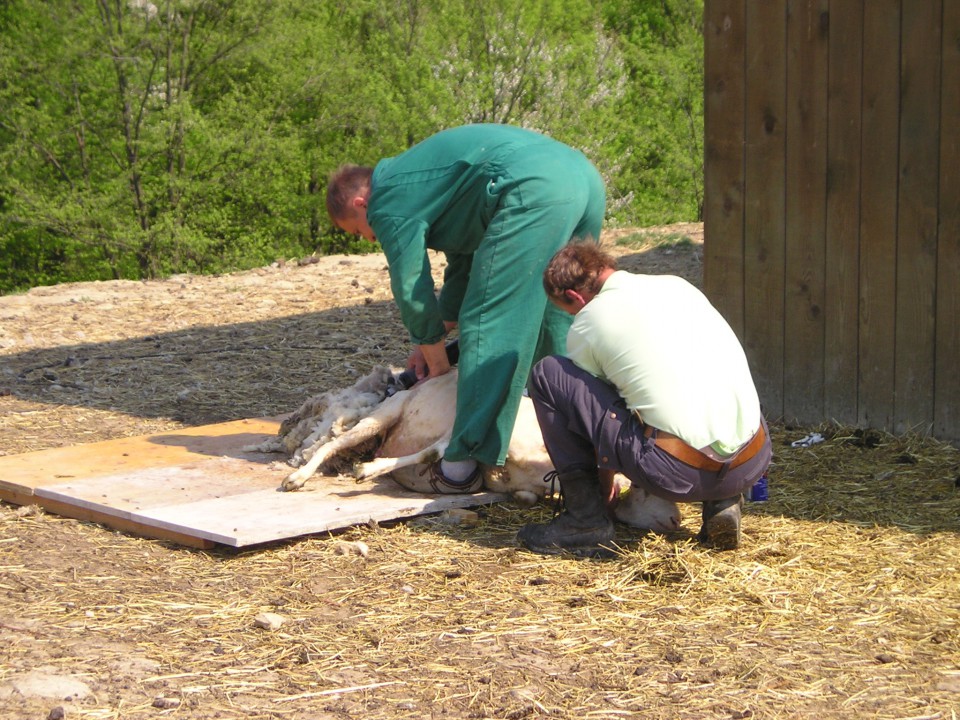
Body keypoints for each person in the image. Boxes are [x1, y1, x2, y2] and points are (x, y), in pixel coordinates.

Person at [325, 124, 606, 492]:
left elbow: (411, 284)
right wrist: (430, 340)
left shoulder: (387, 198)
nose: (371, 237)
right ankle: (569, 443)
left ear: (361, 204)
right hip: (582, 176)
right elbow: (464, 264)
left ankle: (462, 465)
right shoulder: (424, 182)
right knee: (557, 309)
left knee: (490, 319)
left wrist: (437, 360)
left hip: (533, 186)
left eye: (361, 231)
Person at [517, 242, 772, 554]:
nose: (574, 316)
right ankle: (723, 498)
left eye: (568, 310)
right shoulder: (677, 285)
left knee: (549, 373)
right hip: (752, 461)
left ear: (574, 297)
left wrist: (604, 483)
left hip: (679, 475)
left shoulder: (589, 321)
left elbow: (596, 410)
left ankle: (585, 520)